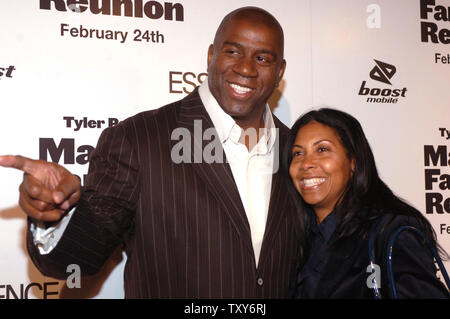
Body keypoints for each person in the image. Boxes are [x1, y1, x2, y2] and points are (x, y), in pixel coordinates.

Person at [0, 7, 302, 298]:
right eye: (233, 51)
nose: (246, 68)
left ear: (280, 72)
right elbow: (75, 261)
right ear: (211, 56)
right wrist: (58, 215)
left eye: (262, 58)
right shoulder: (137, 140)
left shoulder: (298, 152)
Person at [283, 107, 450, 298]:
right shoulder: (297, 240)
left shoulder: (389, 232)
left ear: (353, 161)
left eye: (322, 149)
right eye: (298, 153)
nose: (306, 163)